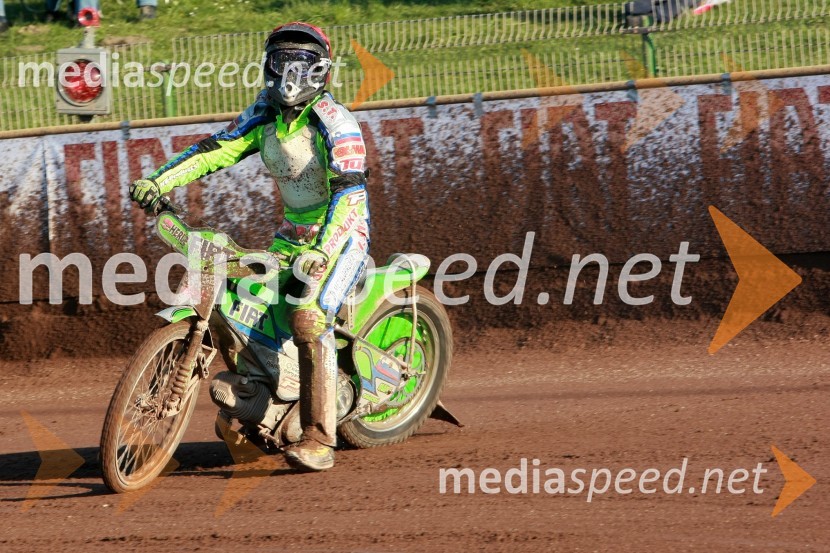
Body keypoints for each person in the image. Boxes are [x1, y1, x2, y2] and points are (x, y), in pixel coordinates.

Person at [129, 22, 370, 472]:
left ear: (320, 69)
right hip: (291, 237)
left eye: (299, 62)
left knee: (308, 315)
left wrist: (322, 248)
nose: (288, 74)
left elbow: (350, 195)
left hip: (342, 237)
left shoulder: (337, 123)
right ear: (267, 66)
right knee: (233, 294)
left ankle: (319, 436)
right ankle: (262, 389)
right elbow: (216, 149)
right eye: (280, 61)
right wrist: (157, 181)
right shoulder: (264, 114)